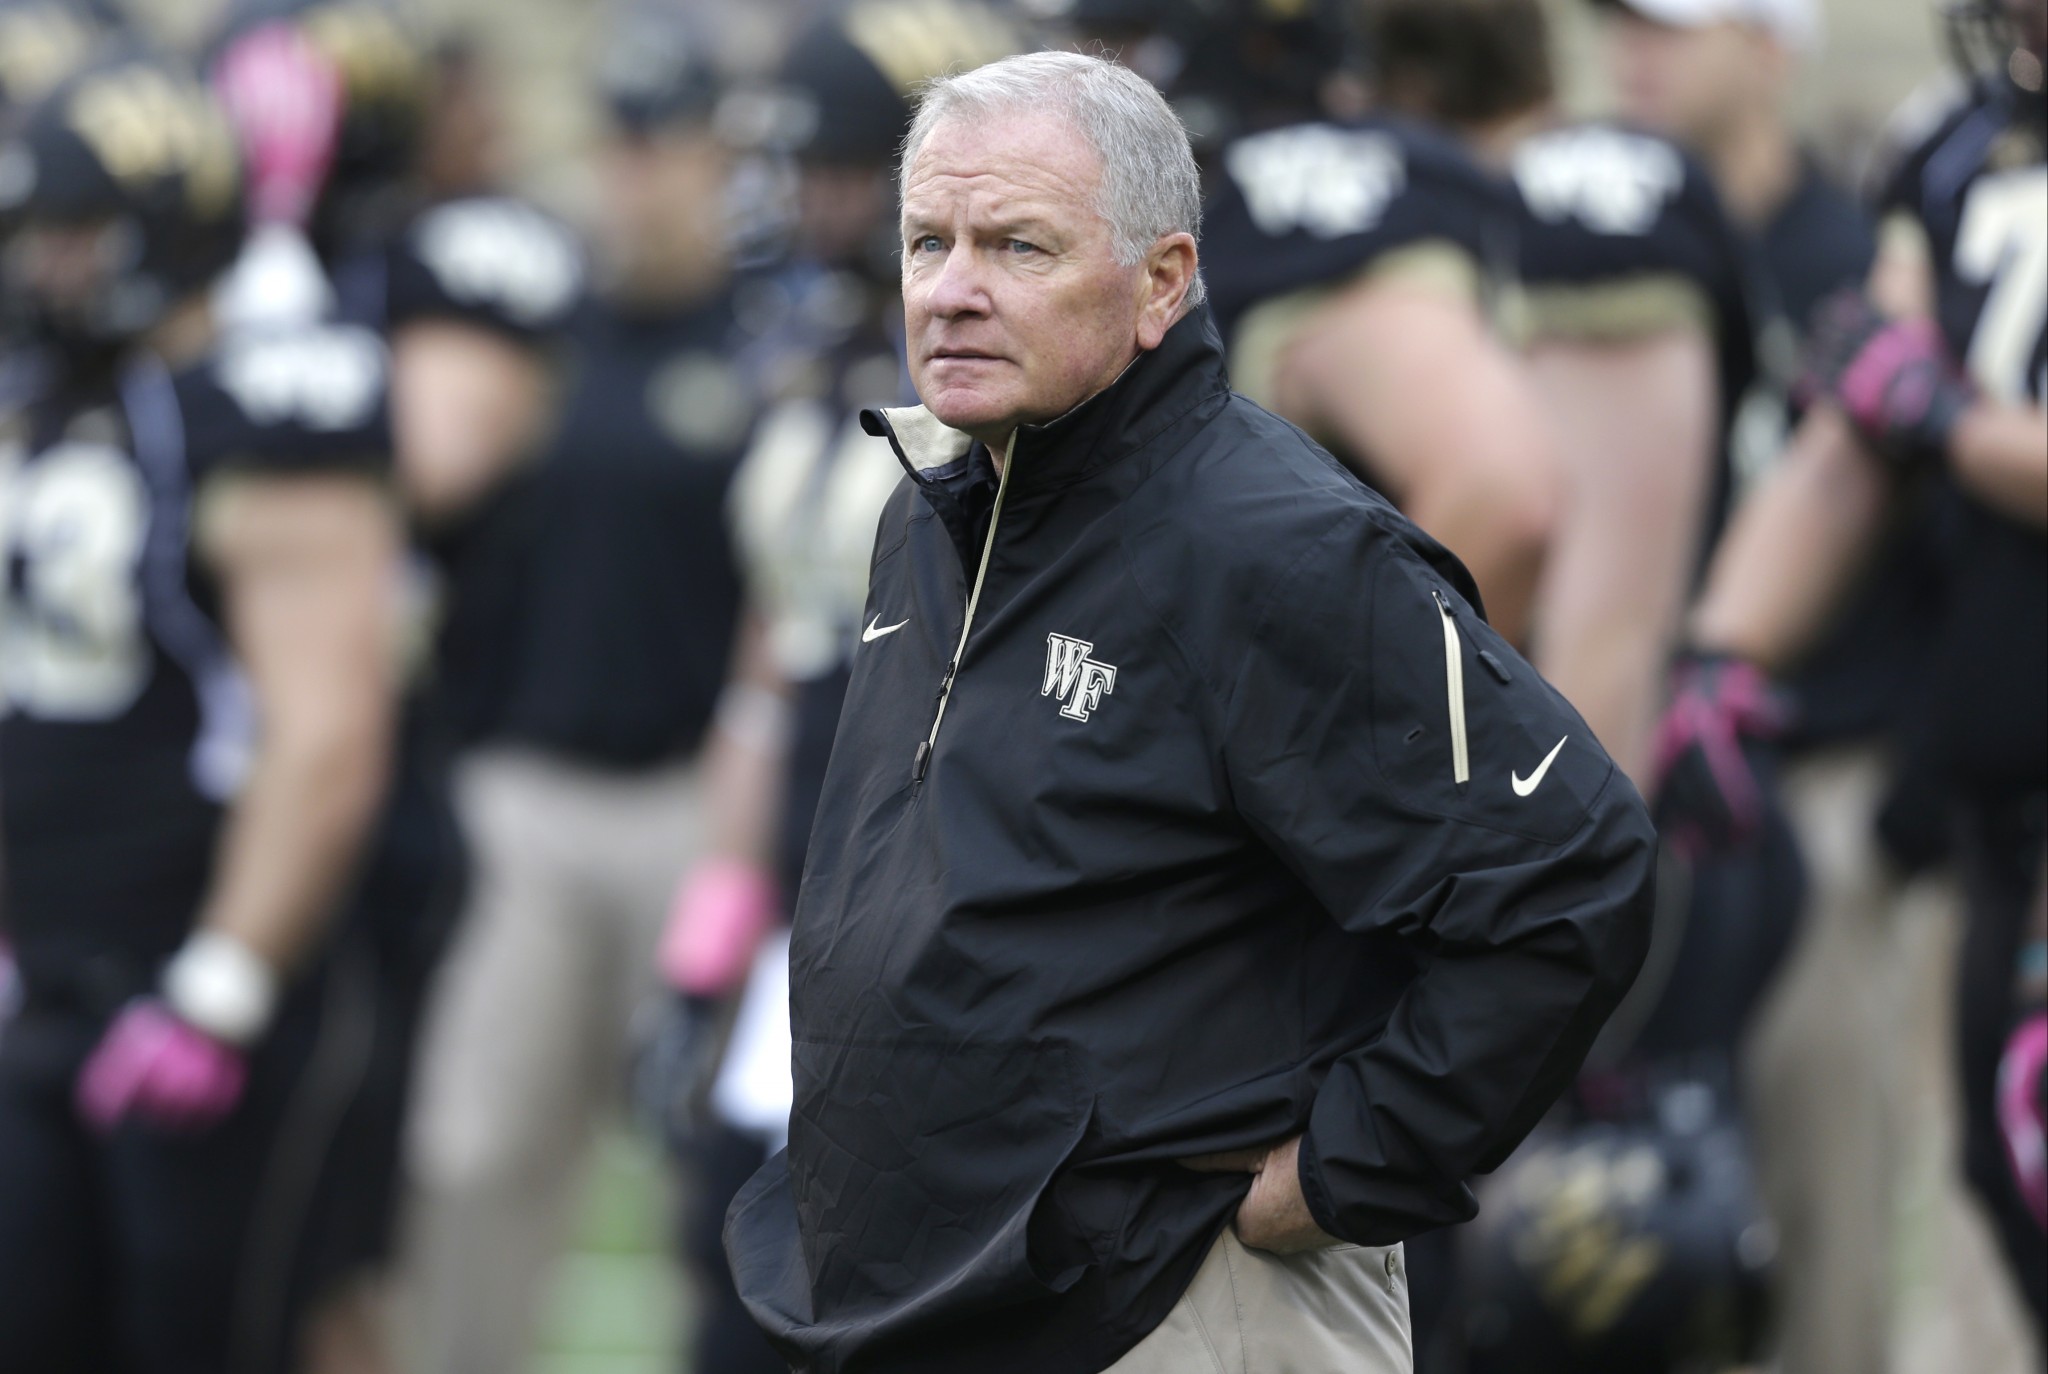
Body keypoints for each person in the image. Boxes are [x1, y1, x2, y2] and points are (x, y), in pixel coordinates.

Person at [723, 50, 1658, 1374]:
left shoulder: (1273, 546)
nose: (952, 291)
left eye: (1017, 246)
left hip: (1179, 1308)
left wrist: (1341, 1169)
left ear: (1162, 280)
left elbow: (1574, 873)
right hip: (939, 1306)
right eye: (928, 241)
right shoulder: (927, 514)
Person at [0, 49, 414, 1373]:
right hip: (45, 975)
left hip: (191, 974)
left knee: (206, 1336)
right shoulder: (51, 406)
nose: (45, 269)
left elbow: (327, 727)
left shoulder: (265, 406)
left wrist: (222, 983)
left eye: (73, 236)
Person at [640, 7, 1022, 1372]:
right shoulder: (815, 364)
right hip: (801, 877)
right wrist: (719, 908)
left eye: (831, 168)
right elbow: (773, 653)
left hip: (927, 899)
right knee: (722, 1264)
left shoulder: (995, 387)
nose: (796, 202)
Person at [1668, 0, 2048, 1350]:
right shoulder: (1953, 147)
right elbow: (1858, 424)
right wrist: (1724, 655)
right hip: (2011, 808)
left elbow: (1921, 410)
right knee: (2007, 1191)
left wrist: (1955, 421)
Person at [391, 13, 752, 1371]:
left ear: (718, 153)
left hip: (693, 807)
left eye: (665, 142)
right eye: (621, 141)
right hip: (523, 794)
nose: (639, 171)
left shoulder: (763, 336)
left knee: (714, 1165)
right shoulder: (537, 323)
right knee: (476, 1152)